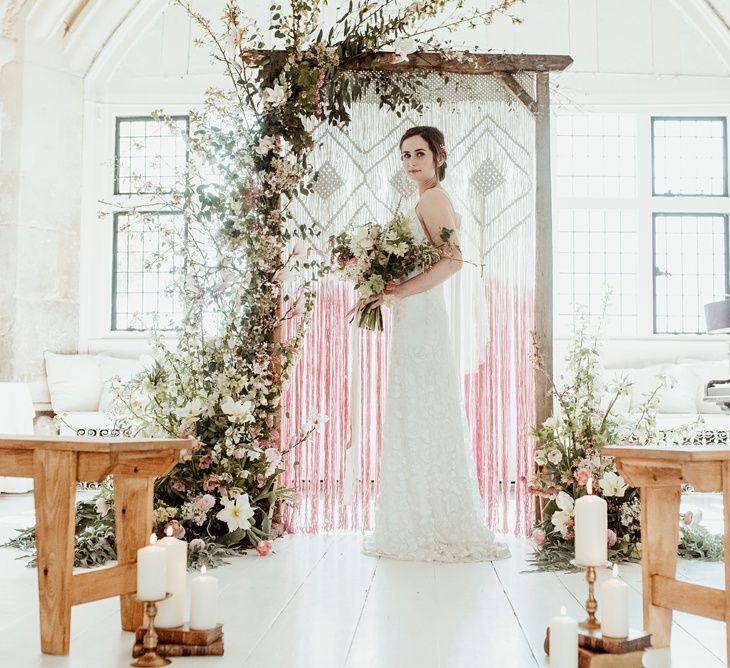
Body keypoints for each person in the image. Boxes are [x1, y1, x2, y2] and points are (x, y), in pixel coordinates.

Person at [360, 125, 510, 562]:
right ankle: (417, 517)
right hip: (416, 315)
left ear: (439, 156)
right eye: (405, 154)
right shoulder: (422, 199)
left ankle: (434, 521)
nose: (411, 162)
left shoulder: (434, 198)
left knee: (422, 408)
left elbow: (453, 262)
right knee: (416, 410)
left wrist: (398, 291)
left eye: (420, 153)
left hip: (422, 314)